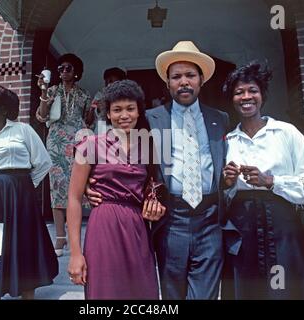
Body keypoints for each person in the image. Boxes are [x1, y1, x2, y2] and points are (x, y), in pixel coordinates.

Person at [87, 41, 232, 299]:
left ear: (201, 80)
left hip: (210, 219)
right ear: (167, 83)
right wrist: (91, 184)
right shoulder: (150, 119)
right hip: (171, 219)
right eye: (176, 76)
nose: (184, 82)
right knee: (172, 295)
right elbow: (118, 153)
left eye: (190, 75)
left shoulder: (219, 119)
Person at [221, 61, 304, 299]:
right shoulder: (227, 139)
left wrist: (271, 181)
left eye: (253, 91)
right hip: (241, 228)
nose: (246, 97)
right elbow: (221, 191)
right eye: (239, 92)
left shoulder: (285, 133)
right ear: (232, 98)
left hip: (282, 227)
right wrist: (226, 182)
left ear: (262, 95)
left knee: (284, 288)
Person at [67, 79, 165, 299]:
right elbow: (73, 198)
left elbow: (153, 187)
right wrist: (75, 253)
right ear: (108, 114)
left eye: (130, 108)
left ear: (139, 111)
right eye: (117, 110)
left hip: (137, 226)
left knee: (142, 292)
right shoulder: (90, 145)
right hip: (104, 225)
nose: (124, 115)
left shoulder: (149, 147)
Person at [0, 84, 58, 299]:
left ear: (4, 109)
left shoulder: (22, 130)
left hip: (20, 199)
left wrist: (23, 187)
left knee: (23, 246)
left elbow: (43, 163)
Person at [36, 53, 92, 257]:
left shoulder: (85, 95)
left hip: (78, 141)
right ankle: (60, 237)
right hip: (57, 144)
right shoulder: (51, 91)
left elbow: (89, 121)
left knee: (77, 188)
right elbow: (42, 117)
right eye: (60, 69)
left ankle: (75, 236)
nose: (64, 72)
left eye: (68, 68)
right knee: (57, 188)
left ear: (76, 71)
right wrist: (43, 93)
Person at [88, 67, 127, 133]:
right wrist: (92, 109)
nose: (108, 84)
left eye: (111, 81)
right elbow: (89, 121)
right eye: (106, 81)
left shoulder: (126, 98)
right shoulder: (99, 95)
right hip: (100, 132)